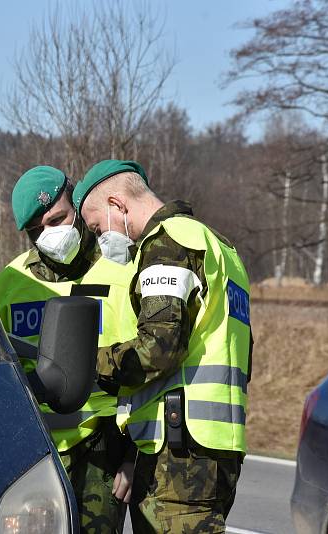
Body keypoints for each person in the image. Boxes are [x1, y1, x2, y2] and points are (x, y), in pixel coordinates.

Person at [72, 160, 252, 533]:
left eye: (95, 226)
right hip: (221, 446)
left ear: (117, 205)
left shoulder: (168, 243)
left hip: (178, 453)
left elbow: (159, 347)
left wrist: (86, 364)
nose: (99, 237)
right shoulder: (222, 249)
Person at [0, 166, 138, 533]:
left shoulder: (124, 273)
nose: (50, 235)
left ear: (77, 205)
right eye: (37, 231)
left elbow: (151, 369)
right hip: (32, 452)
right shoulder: (7, 287)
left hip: (104, 451)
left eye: (58, 219)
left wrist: (135, 459)